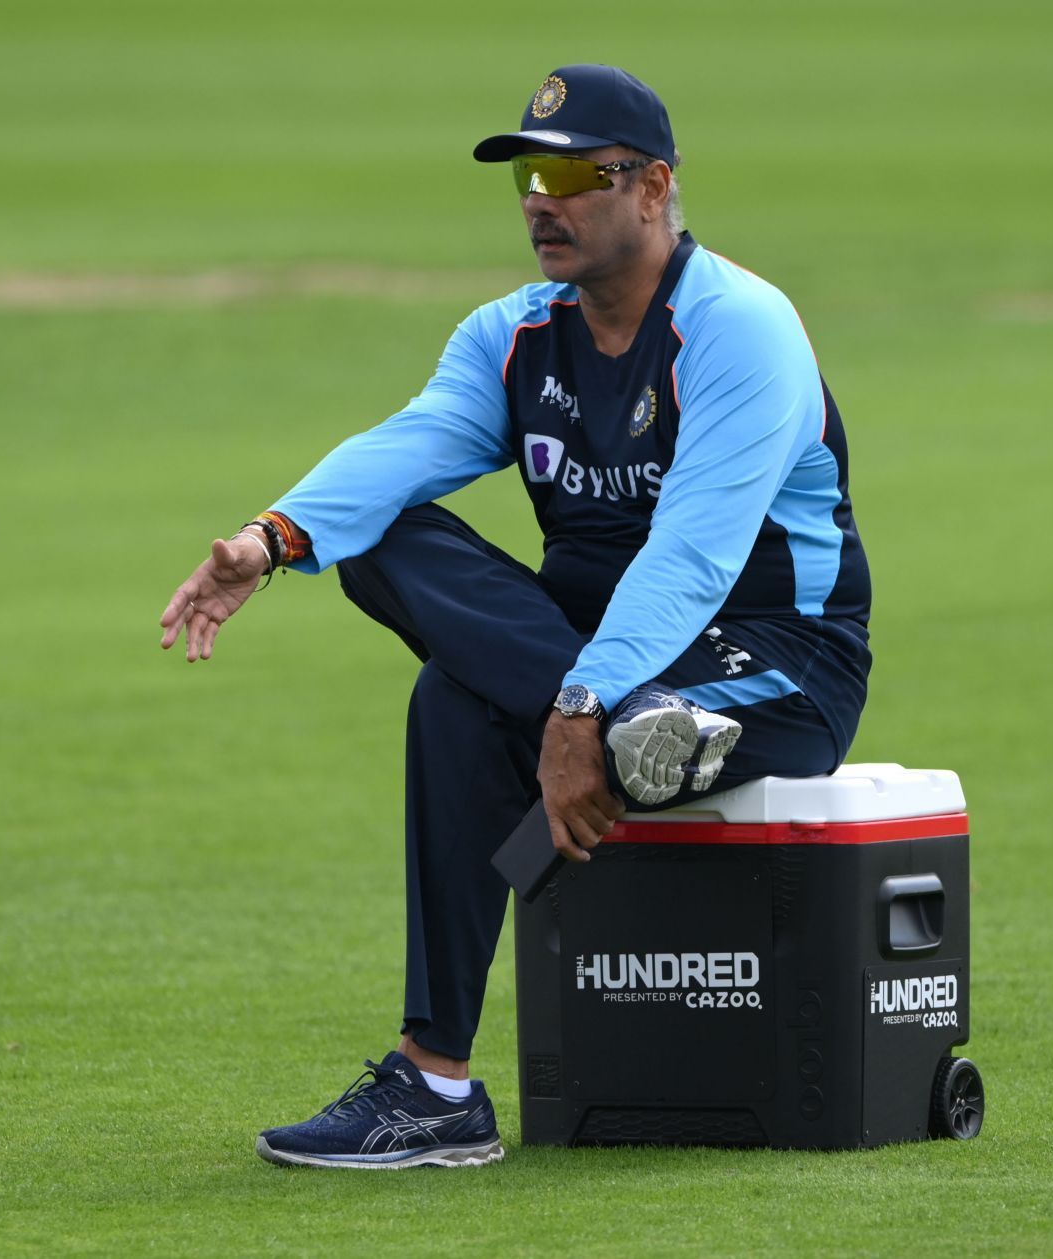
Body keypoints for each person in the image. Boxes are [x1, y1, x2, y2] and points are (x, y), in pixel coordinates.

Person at [158, 64, 871, 1169]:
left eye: (578, 172)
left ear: (653, 188)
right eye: (529, 174)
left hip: (769, 656)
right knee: (381, 541)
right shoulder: (513, 332)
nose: (544, 197)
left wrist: (582, 700)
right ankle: (435, 1085)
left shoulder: (741, 329)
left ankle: (634, 719)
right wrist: (272, 539)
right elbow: (407, 444)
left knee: (460, 693)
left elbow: (691, 555)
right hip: (592, 663)